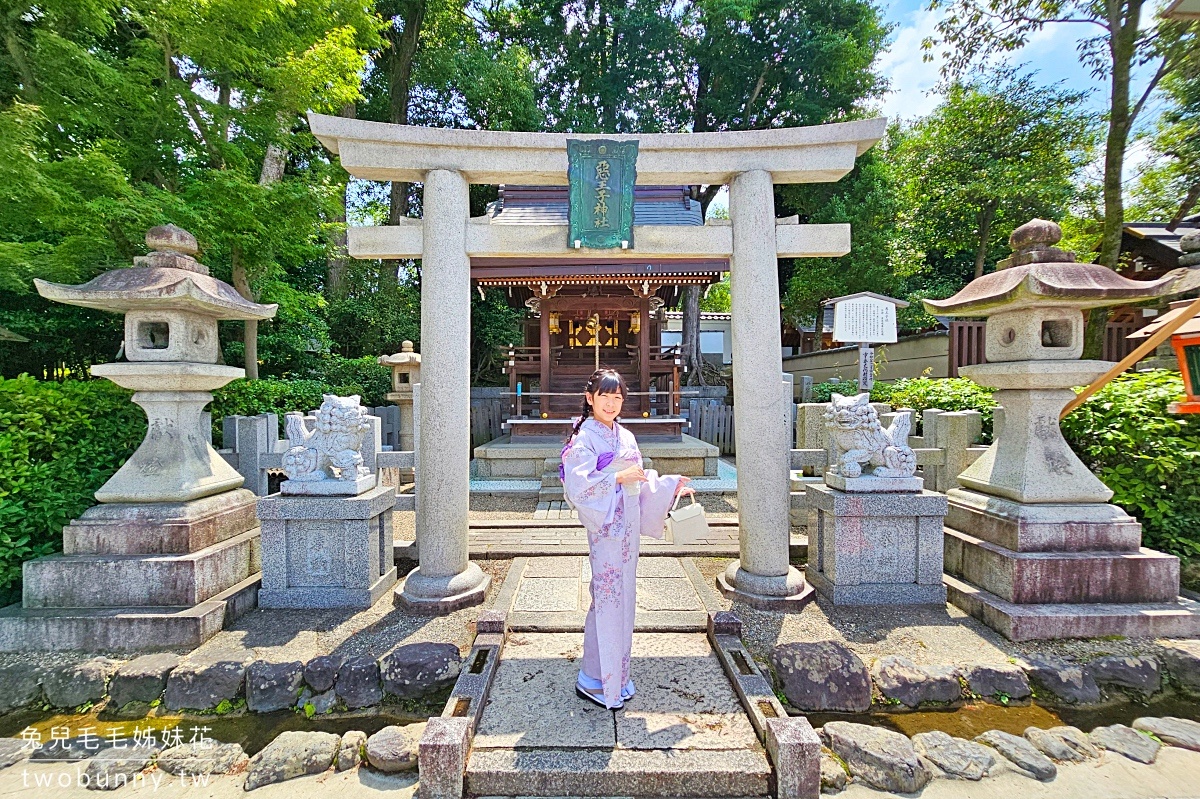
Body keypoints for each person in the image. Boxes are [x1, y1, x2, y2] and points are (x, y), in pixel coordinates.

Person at [560, 368, 693, 709]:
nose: (611, 403)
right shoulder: (583, 439)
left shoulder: (627, 436)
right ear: (590, 398)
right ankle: (592, 677)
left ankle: (617, 675)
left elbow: (640, 480)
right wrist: (617, 476)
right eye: (604, 396)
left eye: (618, 397)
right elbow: (578, 486)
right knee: (606, 599)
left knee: (625, 598)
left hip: (628, 527)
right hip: (606, 529)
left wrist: (669, 486)